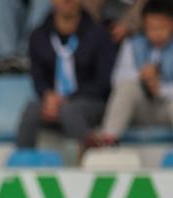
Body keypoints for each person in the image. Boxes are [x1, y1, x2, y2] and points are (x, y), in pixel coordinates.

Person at [16, 0, 116, 150]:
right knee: (32, 110)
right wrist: (48, 96)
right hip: (53, 102)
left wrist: (67, 99)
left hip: (90, 102)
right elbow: (38, 78)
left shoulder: (99, 34)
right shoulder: (38, 36)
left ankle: (91, 158)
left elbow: (103, 82)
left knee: (70, 111)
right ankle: (22, 159)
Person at [94, 0, 173, 144]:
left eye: (162, 27)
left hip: (167, 108)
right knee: (126, 88)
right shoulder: (133, 43)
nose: (156, 33)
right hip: (139, 108)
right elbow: (118, 79)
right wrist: (142, 77)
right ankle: (107, 140)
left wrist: (160, 88)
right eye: (152, 27)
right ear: (143, 25)